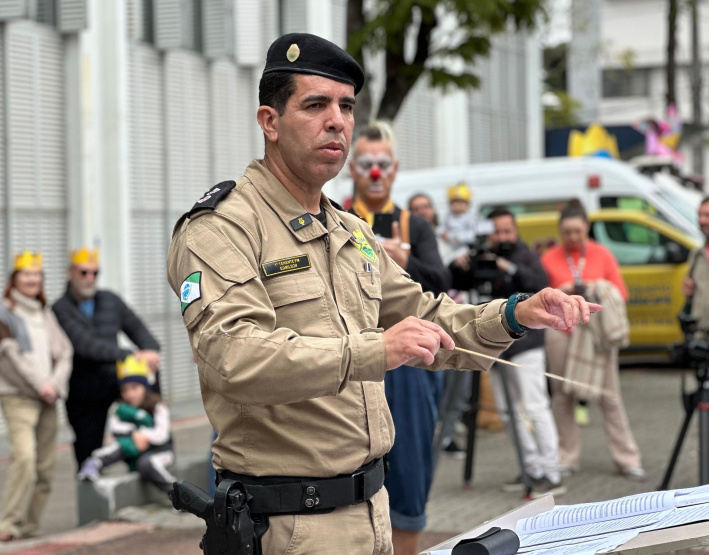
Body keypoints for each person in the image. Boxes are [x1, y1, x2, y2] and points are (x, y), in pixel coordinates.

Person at [166, 32, 599, 554]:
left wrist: (514, 314)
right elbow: (234, 358)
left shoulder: (350, 231)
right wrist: (378, 350)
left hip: (372, 512)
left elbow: (425, 315)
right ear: (270, 122)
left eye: (346, 106)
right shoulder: (223, 228)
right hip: (288, 525)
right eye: (316, 105)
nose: (337, 121)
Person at [348, 122, 449, 554]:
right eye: (367, 163)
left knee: (408, 473)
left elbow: (441, 283)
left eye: (383, 164)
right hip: (353, 359)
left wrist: (403, 259)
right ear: (352, 168)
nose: (375, 172)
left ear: (395, 169)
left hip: (408, 368)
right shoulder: (332, 217)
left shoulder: (415, 225)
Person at [451, 208, 564, 498]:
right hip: (495, 346)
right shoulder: (482, 258)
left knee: (535, 407)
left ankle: (552, 473)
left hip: (526, 345)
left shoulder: (525, 255)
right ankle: (531, 468)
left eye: (507, 231)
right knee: (506, 410)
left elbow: (539, 285)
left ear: (515, 231)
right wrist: (459, 265)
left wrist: (507, 267)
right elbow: (456, 283)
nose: (502, 237)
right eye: (496, 232)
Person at [541, 202, 645, 480]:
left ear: (587, 228)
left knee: (609, 396)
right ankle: (567, 457)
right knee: (562, 396)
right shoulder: (549, 258)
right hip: (561, 332)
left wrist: (595, 287)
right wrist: (561, 290)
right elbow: (538, 299)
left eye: (578, 231)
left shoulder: (602, 254)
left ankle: (628, 459)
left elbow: (621, 293)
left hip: (596, 334)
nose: (573, 237)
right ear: (560, 231)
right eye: (567, 232)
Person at [0, 251, 73, 542]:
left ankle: (30, 527)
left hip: (48, 397)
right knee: (24, 459)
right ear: (14, 279)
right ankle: (8, 525)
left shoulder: (44, 313)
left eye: (37, 274)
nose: (32, 279)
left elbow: (65, 352)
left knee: (45, 467)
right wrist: (41, 386)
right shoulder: (2, 313)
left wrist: (54, 384)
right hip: (18, 397)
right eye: (26, 274)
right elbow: (9, 357)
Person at [52, 248, 162, 468]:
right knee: (88, 448)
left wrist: (150, 349)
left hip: (114, 380)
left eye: (95, 272)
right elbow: (85, 346)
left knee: (149, 383)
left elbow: (136, 327)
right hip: (84, 390)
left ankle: (154, 458)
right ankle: (89, 480)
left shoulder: (110, 299)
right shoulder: (59, 309)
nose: (89, 278)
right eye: (83, 272)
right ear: (70, 272)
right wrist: (130, 355)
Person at [76, 356, 176, 493]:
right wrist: (134, 434)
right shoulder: (120, 408)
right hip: (133, 448)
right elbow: (114, 428)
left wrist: (143, 436)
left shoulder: (158, 406)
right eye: (125, 390)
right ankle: (93, 464)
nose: (130, 394)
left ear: (145, 387)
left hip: (160, 450)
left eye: (134, 388)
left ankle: (176, 493)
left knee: (146, 464)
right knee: (119, 446)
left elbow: (162, 435)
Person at [682, 196, 709, 412]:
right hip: (704, 348)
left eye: (708, 215)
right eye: (699, 215)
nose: (702, 220)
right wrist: (688, 294)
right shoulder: (696, 255)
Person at [440, 183, 479, 263]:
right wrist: (441, 232)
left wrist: (458, 237)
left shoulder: (472, 217)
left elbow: (474, 234)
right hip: (450, 246)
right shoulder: (449, 216)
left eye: (461, 202)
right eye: (455, 202)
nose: (458, 205)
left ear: (467, 204)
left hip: (466, 248)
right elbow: (442, 227)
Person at [410, 192, 452, 266]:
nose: (422, 212)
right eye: (416, 209)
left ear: (433, 209)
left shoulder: (446, 232)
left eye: (426, 207)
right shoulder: (408, 242)